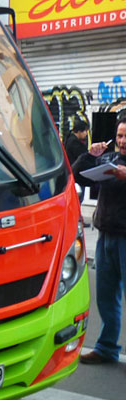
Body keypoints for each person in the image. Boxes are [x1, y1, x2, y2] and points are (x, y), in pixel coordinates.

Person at [73, 119, 126, 364]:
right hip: (105, 236)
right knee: (106, 296)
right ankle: (106, 348)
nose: (122, 141)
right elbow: (78, 176)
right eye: (120, 135)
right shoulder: (109, 159)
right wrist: (88, 155)